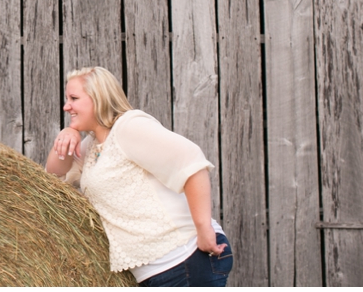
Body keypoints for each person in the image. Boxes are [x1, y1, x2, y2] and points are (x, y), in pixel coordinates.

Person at [45, 66, 233, 287]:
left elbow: (191, 161)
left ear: (99, 98)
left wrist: (203, 229)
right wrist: (68, 134)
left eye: (74, 98)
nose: (66, 106)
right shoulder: (92, 145)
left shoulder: (128, 127)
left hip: (186, 258)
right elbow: (53, 176)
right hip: (158, 272)